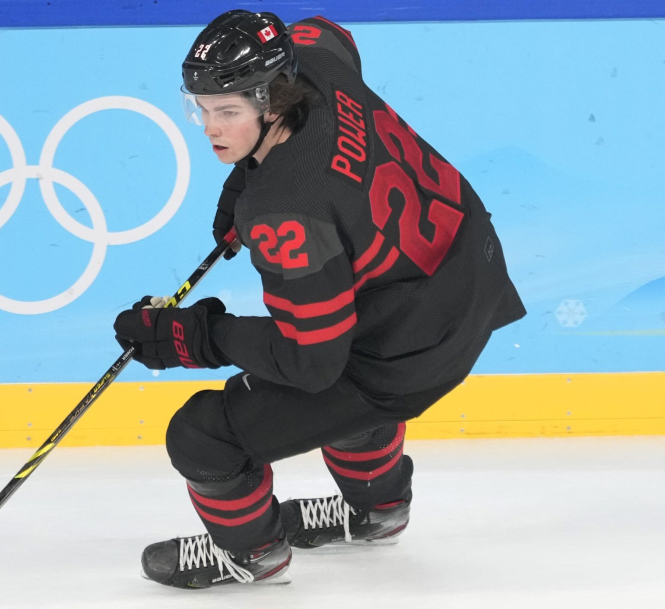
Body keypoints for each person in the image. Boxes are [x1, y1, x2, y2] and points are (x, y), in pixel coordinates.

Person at [112, 10, 526, 589]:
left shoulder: (288, 212)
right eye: (201, 108)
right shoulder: (313, 61)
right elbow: (327, 29)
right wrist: (249, 172)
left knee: (202, 434)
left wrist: (192, 335)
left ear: (272, 103)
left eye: (228, 112)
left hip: (410, 346)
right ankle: (380, 510)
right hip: (466, 271)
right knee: (352, 381)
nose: (211, 128)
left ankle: (253, 554)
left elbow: (310, 363)